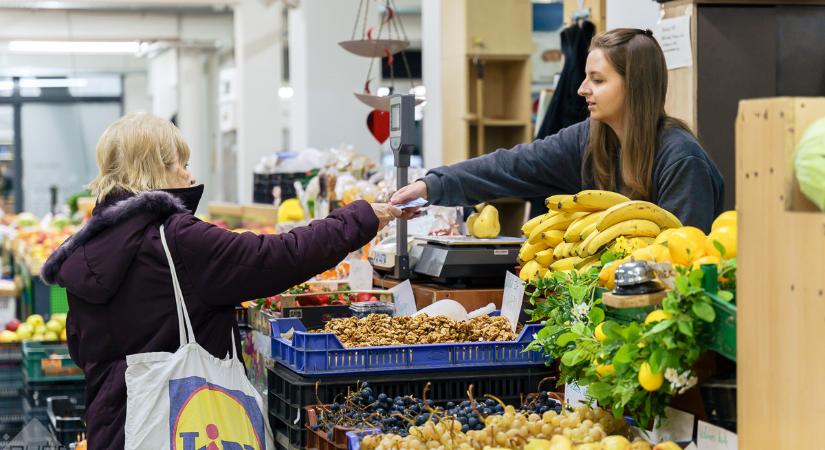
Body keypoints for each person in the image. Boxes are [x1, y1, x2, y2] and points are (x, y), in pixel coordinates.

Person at [40, 113, 401, 449]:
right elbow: (277, 257)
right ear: (156, 169)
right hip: (185, 427)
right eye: (181, 164)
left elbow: (81, 348)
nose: (189, 176)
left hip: (114, 429)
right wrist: (359, 219)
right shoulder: (176, 239)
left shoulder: (85, 248)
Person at [392, 28, 724, 232]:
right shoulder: (590, 139)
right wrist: (430, 186)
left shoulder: (682, 160)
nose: (581, 89)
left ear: (635, 86)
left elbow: (680, 265)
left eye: (597, 80)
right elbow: (511, 167)